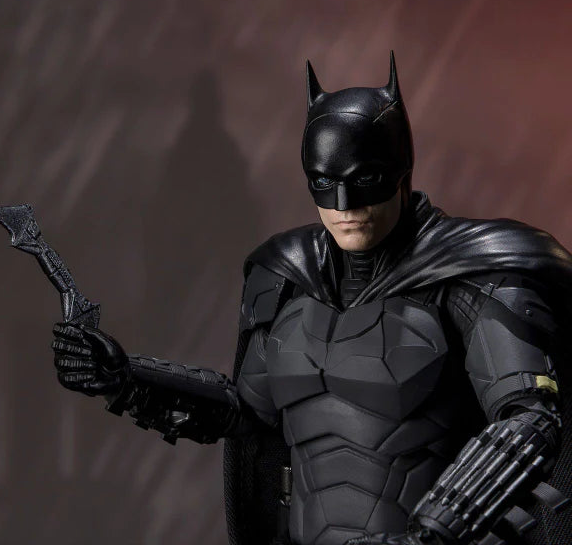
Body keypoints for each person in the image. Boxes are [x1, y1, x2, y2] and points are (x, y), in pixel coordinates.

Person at [52, 53, 572, 545]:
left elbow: (530, 421)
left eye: (365, 181)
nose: (345, 205)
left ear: (401, 172)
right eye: (325, 183)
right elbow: (247, 415)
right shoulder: (286, 277)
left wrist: (432, 533)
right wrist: (128, 380)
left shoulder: (470, 274)